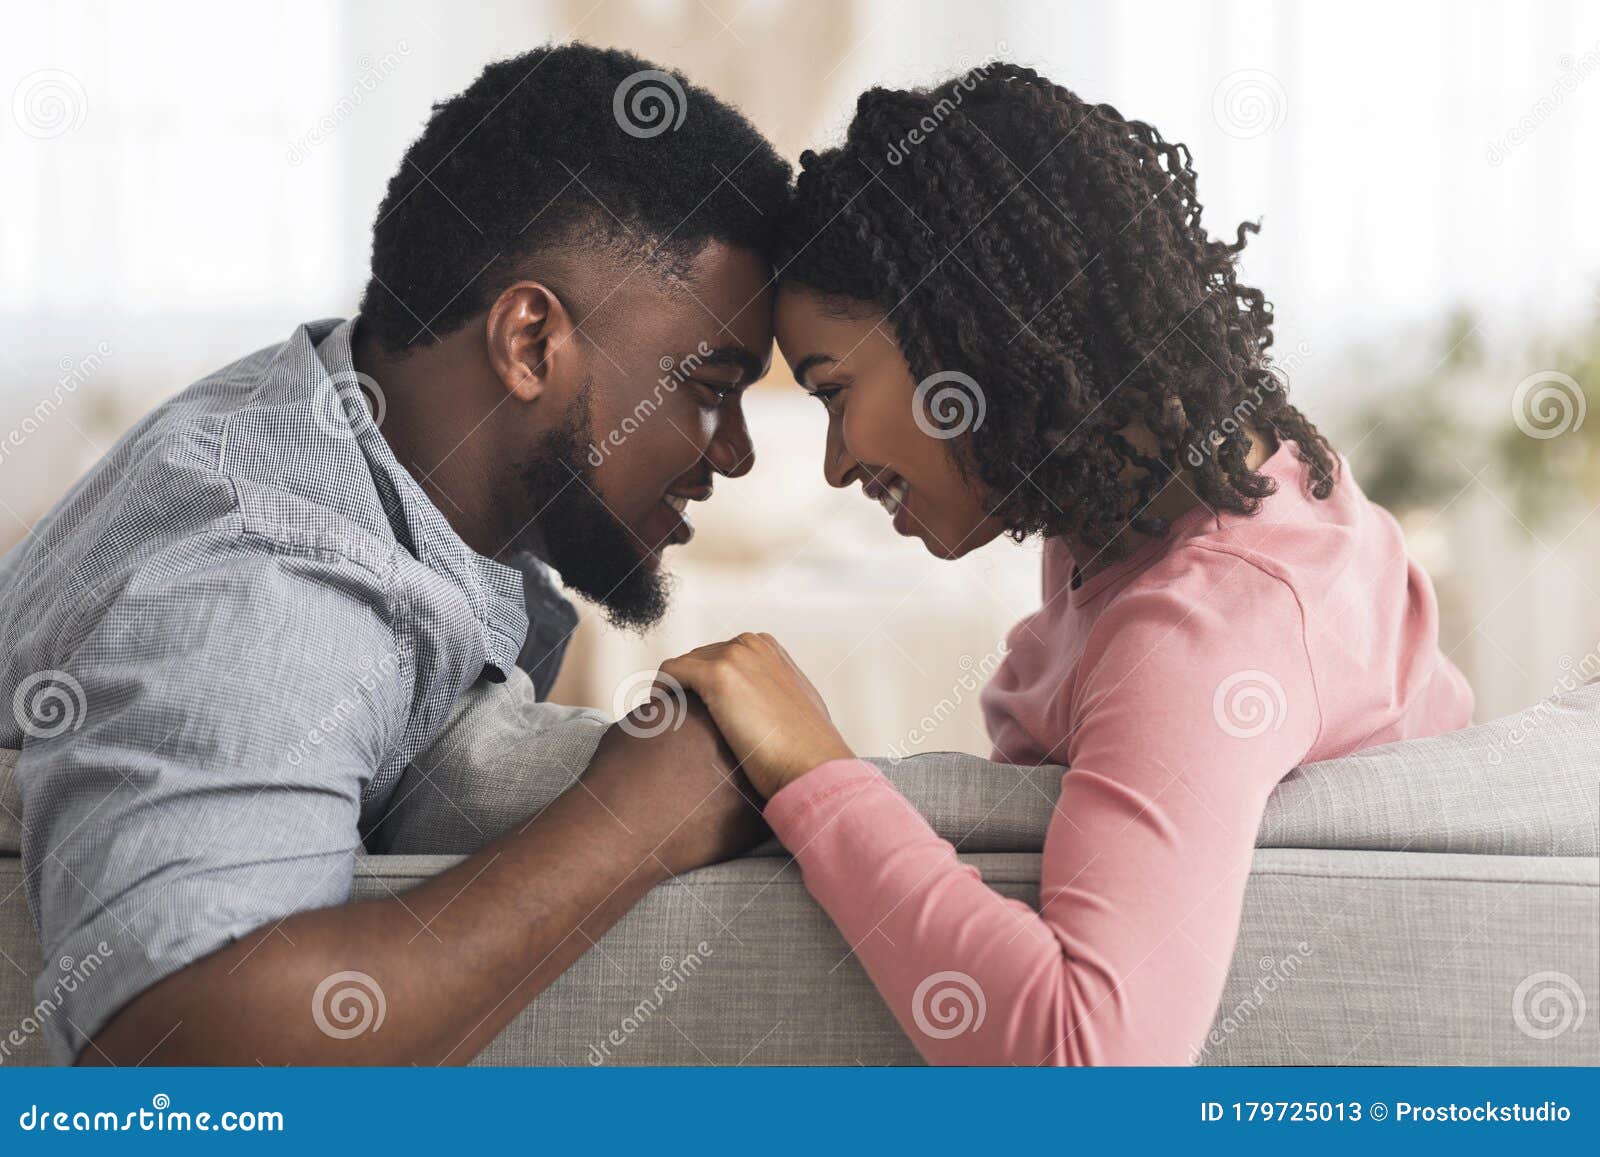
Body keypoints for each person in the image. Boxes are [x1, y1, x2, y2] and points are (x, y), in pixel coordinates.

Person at [659, 63, 1476, 1065]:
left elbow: (1092, 1067)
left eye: (832, 390)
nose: (833, 464)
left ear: (980, 331)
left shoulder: (1205, 627)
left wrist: (813, 766)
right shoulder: (1166, 495)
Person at [0, 42, 789, 1065]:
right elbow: (179, 1047)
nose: (735, 450)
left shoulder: (339, 441)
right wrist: (634, 816)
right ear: (531, 343)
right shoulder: (270, 574)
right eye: (710, 384)